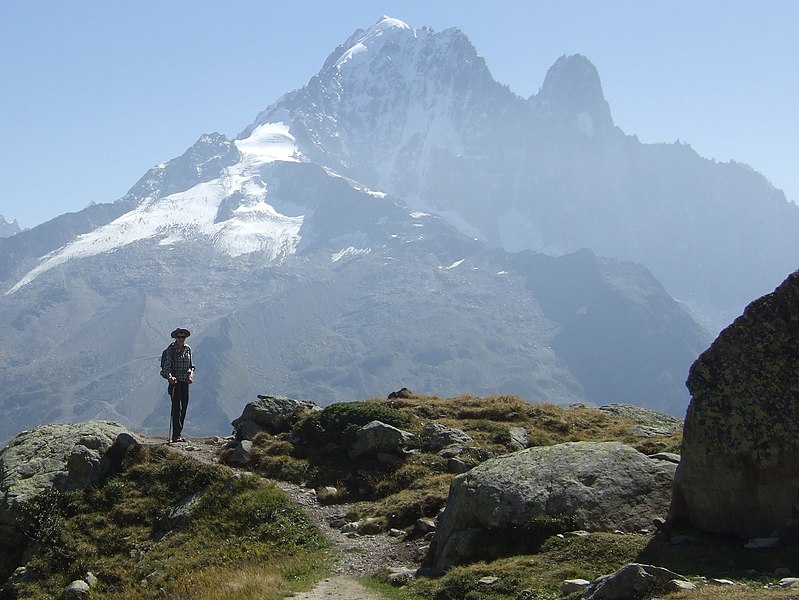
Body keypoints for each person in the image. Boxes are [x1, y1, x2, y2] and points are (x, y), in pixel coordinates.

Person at [160, 327, 195, 443]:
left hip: (185, 381)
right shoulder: (171, 349)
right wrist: (170, 377)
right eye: (179, 337)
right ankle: (176, 435)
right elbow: (167, 366)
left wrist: (190, 375)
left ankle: (178, 433)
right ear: (175, 337)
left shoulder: (188, 349)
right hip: (175, 382)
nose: (181, 339)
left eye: (183, 337)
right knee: (176, 408)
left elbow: (191, 366)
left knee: (184, 406)